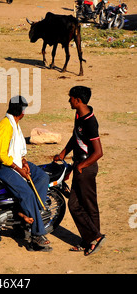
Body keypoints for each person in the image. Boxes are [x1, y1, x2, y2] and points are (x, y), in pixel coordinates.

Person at [0, 96, 51, 251]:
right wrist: (20, 171)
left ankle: (30, 212)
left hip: (16, 162)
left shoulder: (15, 124)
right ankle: (37, 233)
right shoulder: (6, 126)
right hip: (4, 167)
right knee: (28, 194)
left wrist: (23, 162)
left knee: (42, 177)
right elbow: (2, 155)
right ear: (22, 111)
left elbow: (19, 150)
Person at [53, 86, 105, 256]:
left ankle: (93, 239)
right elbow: (76, 136)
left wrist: (81, 167)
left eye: (71, 98)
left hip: (86, 168)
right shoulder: (79, 115)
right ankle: (90, 239)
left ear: (78, 100)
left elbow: (98, 152)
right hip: (80, 166)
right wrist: (63, 152)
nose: (69, 100)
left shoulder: (90, 121)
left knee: (86, 205)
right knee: (77, 204)